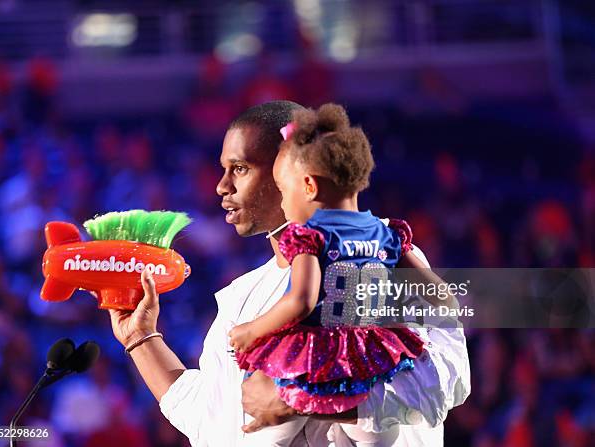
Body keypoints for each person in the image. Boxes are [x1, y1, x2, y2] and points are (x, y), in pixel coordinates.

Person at [107, 100, 470, 446]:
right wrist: (141, 338)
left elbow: (443, 383)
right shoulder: (240, 297)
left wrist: (301, 400)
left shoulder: (376, 260)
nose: (222, 186)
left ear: (297, 172)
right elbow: (213, 424)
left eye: (240, 168)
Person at [228, 103, 426, 446]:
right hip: (373, 355)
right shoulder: (390, 234)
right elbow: (437, 297)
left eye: (282, 187)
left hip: (325, 352)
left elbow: (301, 302)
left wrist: (252, 330)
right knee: (377, 434)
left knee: (270, 415)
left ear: (307, 187)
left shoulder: (310, 238)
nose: (284, 200)